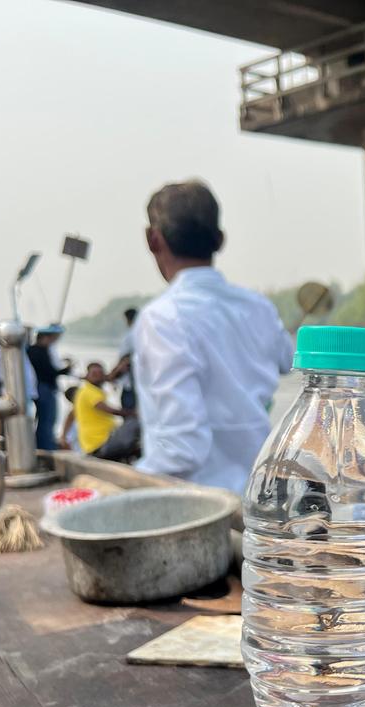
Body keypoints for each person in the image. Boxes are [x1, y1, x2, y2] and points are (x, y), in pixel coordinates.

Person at [133, 180, 292, 492]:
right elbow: (287, 360)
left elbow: (181, 449)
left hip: (200, 508)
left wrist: (122, 483)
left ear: (153, 239)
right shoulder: (258, 307)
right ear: (220, 240)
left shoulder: (162, 318)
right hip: (259, 494)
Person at [74, 362, 140, 461]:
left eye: (100, 374)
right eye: (94, 374)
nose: (98, 376)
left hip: (95, 446)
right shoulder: (89, 391)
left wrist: (118, 370)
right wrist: (132, 413)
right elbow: (107, 409)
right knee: (134, 422)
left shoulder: (84, 391)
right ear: (87, 376)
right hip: (100, 445)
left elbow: (71, 414)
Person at [27, 324, 71, 451]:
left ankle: (43, 444)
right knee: (47, 419)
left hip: (42, 388)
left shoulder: (38, 350)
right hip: (43, 389)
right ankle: (45, 446)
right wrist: (66, 368)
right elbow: (49, 372)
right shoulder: (37, 351)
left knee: (44, 419)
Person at [108, 307, 138, 411]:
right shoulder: (145, 333)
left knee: (129, 414)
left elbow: (125, 359)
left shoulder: (131, 335)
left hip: (130, 384)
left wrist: (113, 375)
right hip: (141, 383)